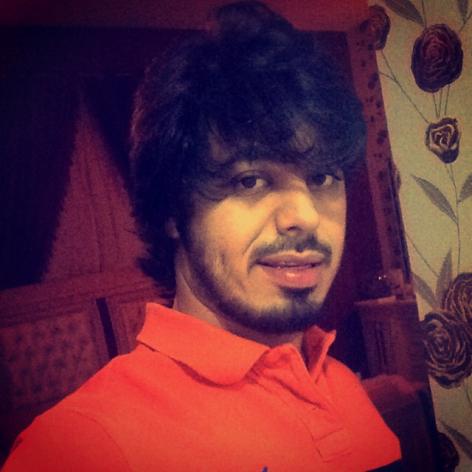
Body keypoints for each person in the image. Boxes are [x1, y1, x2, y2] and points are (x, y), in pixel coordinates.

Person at [2, 2, 401, 470]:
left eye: (322, 177)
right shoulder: (83, 446)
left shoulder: (344, 385)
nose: (306, 216)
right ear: (173, 210)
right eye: (250, 180)